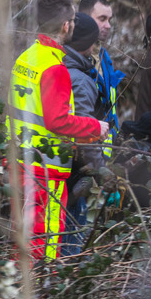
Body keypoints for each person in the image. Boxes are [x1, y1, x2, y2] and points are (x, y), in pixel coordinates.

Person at [7, 0, 108, 261]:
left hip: (20, 161)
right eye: (73, 20)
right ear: (65, 25)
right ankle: (41, 297)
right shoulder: (55, 67)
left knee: (23, 239)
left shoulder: (27, 58)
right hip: (46, 172)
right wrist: (95, 127)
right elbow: (57, 120)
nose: (74, 25)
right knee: (44, 245)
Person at [61, 13, 105, 256]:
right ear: (88, 43)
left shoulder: (59, 66)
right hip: (73, 174)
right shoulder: (80, 80)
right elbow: (85, 133)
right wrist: (102, 170)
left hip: (55, 168)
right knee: (70, 241)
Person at [79, 0, 124, 148]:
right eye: (102, 19)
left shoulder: (104, 56)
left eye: (110, 20)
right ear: (85, 19)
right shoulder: (73, 58)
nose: (108, 25)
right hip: (86, 149)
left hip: (105, 149)